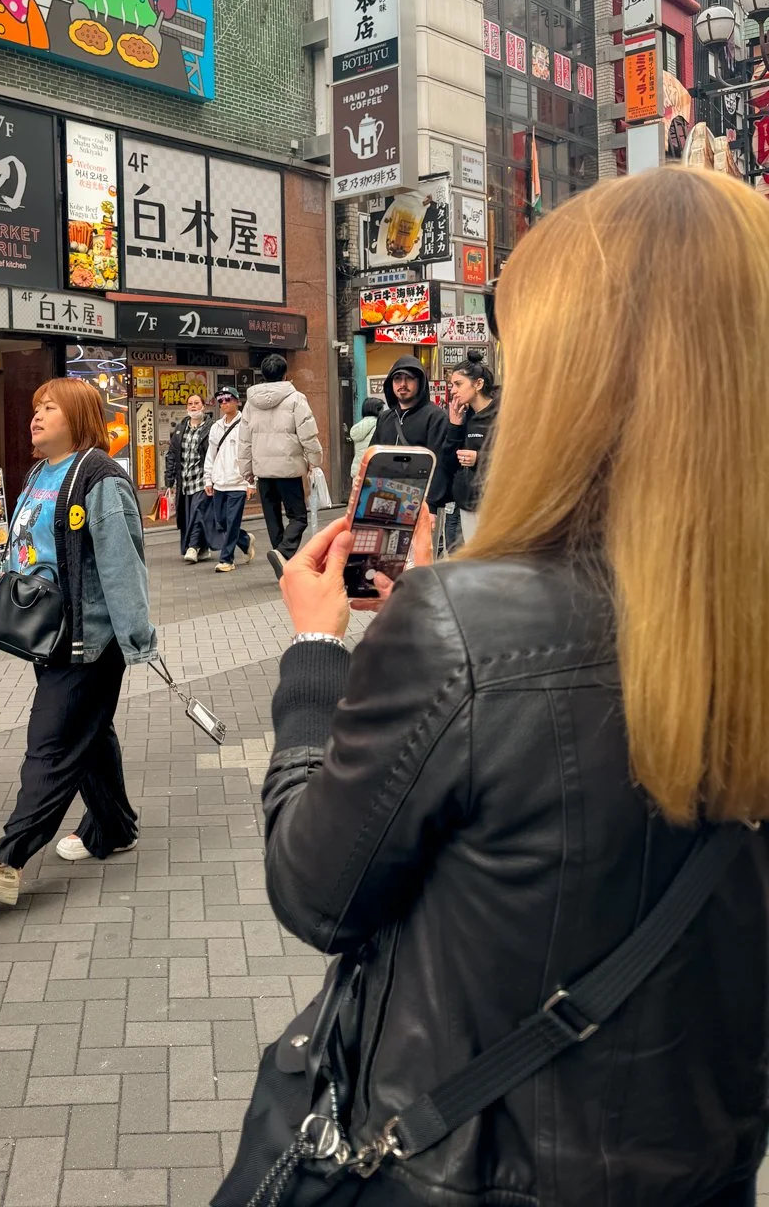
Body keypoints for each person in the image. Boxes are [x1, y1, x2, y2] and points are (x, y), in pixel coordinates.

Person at [226, 169, 769, 1207]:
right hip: (705, 1163)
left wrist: (316, 659)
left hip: (463, 1169)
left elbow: (316, 889)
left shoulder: (469, 634)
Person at [0, 378, 156, 907]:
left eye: (49, 408)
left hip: (90, 642)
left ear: (80, 417)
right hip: (51, 635)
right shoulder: (42, 472)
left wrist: (137, 640)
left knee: (52, 744)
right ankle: (114, 828)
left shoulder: (100, 478)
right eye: (36, 406)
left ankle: (5, 858)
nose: (36, 416)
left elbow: (122, 565)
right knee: (88, 735)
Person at [238, 355, 323, 568]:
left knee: (272, 518)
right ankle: (284, 553)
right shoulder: (295, 399)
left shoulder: (251, 402)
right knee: (298, 517)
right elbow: (308, 434)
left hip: (263, 472)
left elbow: (244, 438)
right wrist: (314, 460)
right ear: (286, 375)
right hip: (289, 470)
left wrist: (245, 469)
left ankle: (283, 561)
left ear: (263, 376)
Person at [374, 356, 450, 509]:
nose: (402, 384)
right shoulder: (385, 417)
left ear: (420, 382)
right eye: (397, 378)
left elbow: (440, 464)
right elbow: (373, 458)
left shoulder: (435, 417)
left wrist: (431, 506)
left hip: (420, 502)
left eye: (409, 378)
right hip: (385, 499)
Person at [443, 349, 498, 543]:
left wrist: (479, 458)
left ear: (479, 384)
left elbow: (517, 457)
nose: (453, 390)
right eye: (452, 385)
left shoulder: (502, 413)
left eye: (458, 384)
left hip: (497, 504)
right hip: (467, 502)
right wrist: (454, 426)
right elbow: (448, 463)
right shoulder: (462, 416)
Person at [204, 387, 256, 573]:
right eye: (221, 400)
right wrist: (208, 480)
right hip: (220, 481)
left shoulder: (246, 424)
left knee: (232, 520)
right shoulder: (216, 427)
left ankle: (227, 559)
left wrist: (251, 482)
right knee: (222, 521)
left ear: (237, 401)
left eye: (228, 399)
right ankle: (245, 540)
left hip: (239, 481)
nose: (224, 403)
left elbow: (252, 453)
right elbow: (210, 455)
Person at [163, 392, 213, 563]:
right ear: (186, 407)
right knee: (187, 516)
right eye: (190, 403)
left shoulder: (211, 427)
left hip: (203, 480)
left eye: (197, 403)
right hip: (185, 482)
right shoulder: (179, 429)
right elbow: (172, 455)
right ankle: (203, 548)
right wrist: (169, 480)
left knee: (198, 513)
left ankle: (192, 547)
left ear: (203, 406)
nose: (193, 406)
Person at [347, 393, 385, 484]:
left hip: (358, 470)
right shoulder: (379, 425)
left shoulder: (358, 426)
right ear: (377, 410)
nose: (383, 412)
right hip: (373, 473)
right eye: (382, 410)